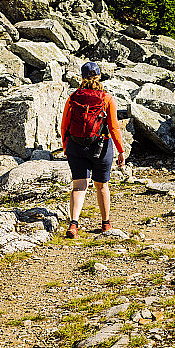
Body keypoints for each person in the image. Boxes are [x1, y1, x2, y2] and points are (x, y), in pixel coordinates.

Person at [60, 61, 125, 238]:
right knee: (102, 186)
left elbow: (64, 125)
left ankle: (73, 224)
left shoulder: (73, 98)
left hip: (76, 146)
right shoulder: (107, 99)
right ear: (99, 77)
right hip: (101, 147)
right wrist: (121, 150)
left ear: (81, 77)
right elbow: (114, 127)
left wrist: (67, 147)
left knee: (79, 186)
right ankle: (106, 224)